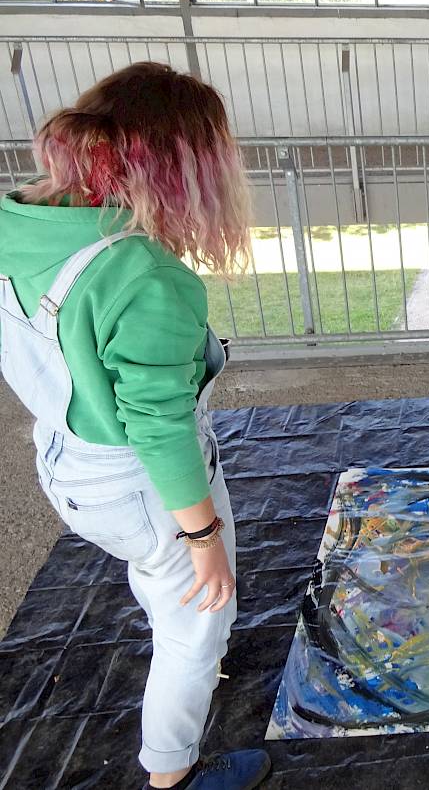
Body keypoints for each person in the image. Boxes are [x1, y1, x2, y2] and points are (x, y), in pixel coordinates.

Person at [0, 64, 270, 789]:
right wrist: (204, 539)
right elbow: (159, 428)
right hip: (139, 482)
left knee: (159, 574)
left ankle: (179, 611)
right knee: (197, 624)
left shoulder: (15, 218)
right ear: (183, 169)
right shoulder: (144, 277)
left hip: (65, 460)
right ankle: (172, 774)